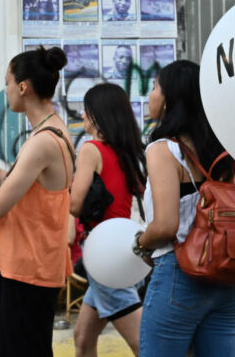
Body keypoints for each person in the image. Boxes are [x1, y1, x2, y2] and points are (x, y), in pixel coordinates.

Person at [0, 46, 74, 356]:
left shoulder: (43, 141)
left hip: (28, 270)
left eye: (8, 82)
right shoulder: (52, 131)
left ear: (23, 87)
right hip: (18, 265)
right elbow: (34, 193)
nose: (6, 89)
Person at [132, 60, 235, 357]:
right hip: (229, 275)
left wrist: (140, 244)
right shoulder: (221, 149)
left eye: (155, 87)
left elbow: (166, 225)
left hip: (180, 274)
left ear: (171, 98)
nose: (151, 94)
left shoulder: (163, 150)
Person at [70, 83, 147, 356]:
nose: (82, 115)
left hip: (104, 256)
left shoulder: (91, 150)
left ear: (96, 114)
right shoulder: (128, 152)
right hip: (123, 249)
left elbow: (75, 204)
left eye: (86, 110)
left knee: (142, 343)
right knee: (82, 339)